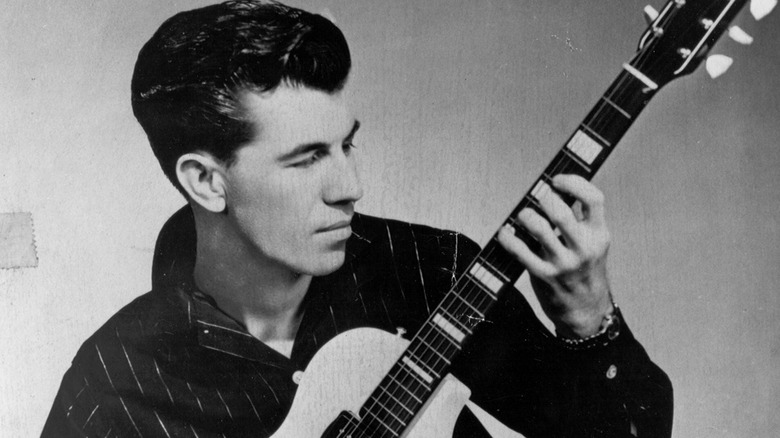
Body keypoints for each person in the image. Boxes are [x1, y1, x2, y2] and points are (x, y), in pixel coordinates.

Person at [42, 1, 672, 437]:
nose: (351, 188)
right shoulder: (116, 383)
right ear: (206, 181)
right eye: (306, 159)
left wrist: (587, 315)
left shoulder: (434, 275)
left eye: (346, 144)